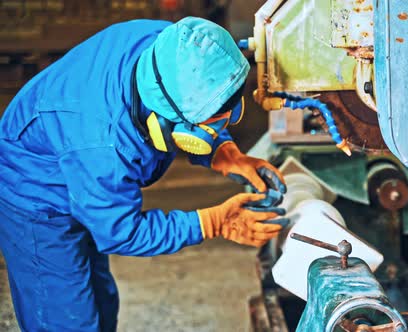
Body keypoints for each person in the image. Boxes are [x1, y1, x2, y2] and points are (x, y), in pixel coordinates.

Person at [0, 17, 287, 331]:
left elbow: (195, 89)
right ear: (169, 123)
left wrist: (225, 152)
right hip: (35, 187)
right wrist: (212, 222)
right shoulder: (104, 145)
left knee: (100, 300)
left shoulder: (181, 46)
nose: (224, 126)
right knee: (67, 317)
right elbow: (121, 231)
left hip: (78, 156)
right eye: (211, 126)